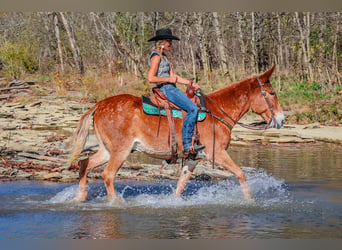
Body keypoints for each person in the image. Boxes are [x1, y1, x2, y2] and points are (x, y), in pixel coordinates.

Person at [147, 28, 205, 155]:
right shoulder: (156, 57)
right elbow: (150, 78)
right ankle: (186, 144)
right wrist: (168, 79)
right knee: (192, 109)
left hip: (171, 87)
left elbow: (175, 77)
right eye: (169, 41)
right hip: (165, 88)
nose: (170, 44)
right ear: (162, 42)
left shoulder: (164, 57)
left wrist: (191, 84)